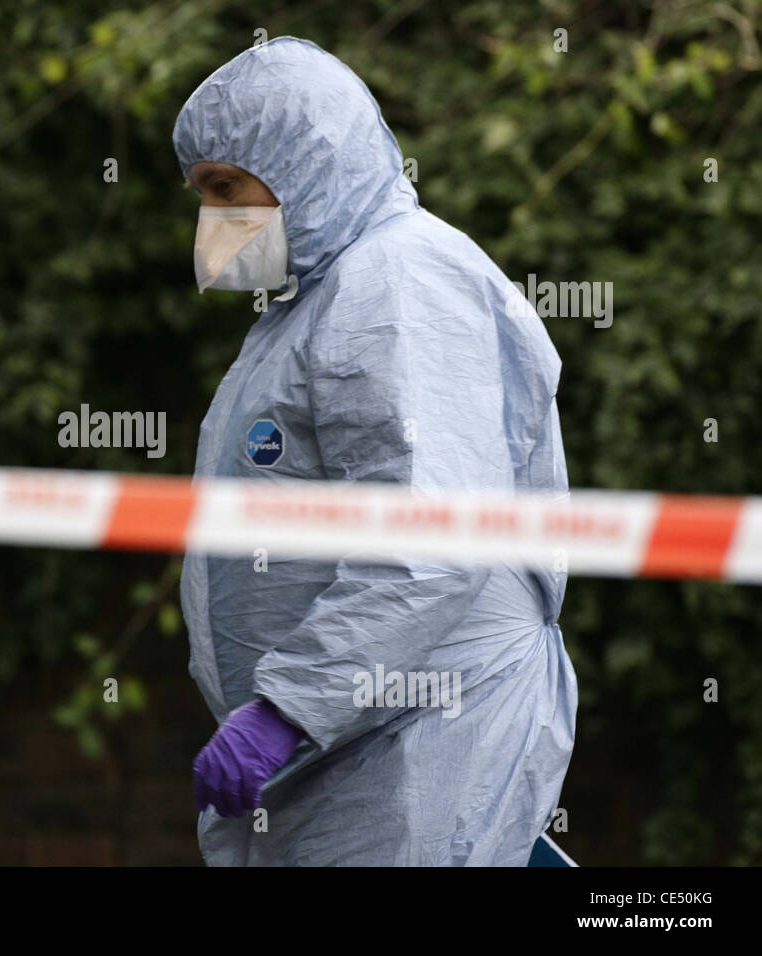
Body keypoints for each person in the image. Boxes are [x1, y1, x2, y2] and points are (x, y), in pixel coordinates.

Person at [175, 37, 577, 865]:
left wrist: (286, 709)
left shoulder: (401, 280)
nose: (213, 218)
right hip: (349, 747)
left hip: (420, 740)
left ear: (298, 160)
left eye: (225, 187)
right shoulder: (318, 302)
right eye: (202, 194)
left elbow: (428, 543)